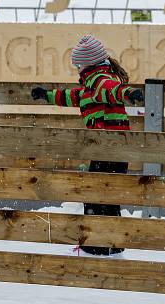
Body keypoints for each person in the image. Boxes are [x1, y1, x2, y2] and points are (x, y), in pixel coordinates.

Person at [31, 34, 143, 257]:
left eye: (79, 65)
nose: (78, 69)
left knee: (98, 195)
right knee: (104, 196)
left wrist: (129, 93)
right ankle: (108, 244)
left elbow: (113, 90)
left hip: (109, 149)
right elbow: (73, 96)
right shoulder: (91, 85)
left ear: (87, 64)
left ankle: (98, 246)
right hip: (108, 149)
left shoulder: (99, 80)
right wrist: (47, 95)